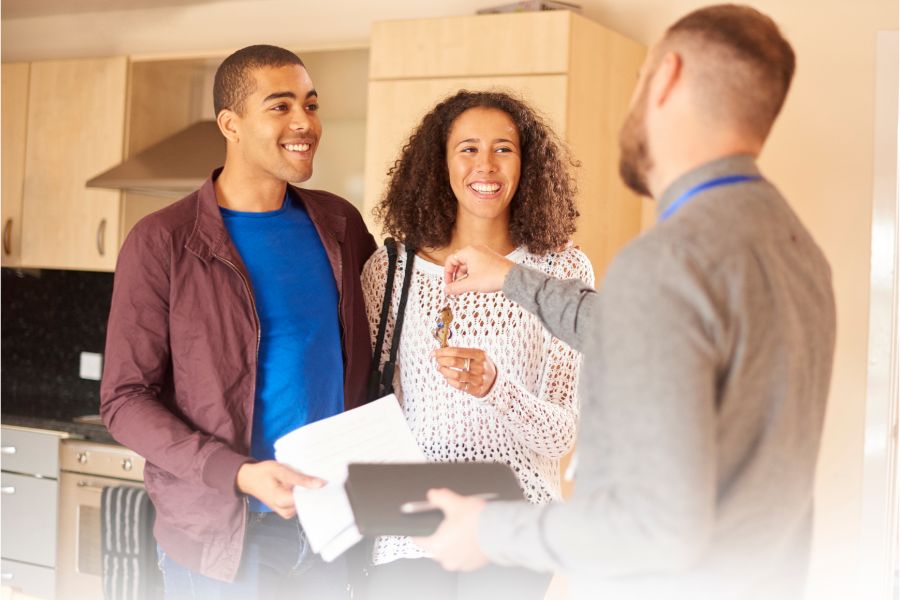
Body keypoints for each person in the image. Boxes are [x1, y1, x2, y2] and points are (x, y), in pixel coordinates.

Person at [417, 5, 837, 600]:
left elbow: (653, 526)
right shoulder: (797, 249)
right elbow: (647, 333)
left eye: (638, 80)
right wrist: (514, 279)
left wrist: (489, 528)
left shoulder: (667, 261)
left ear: (665, 77)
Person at [100, 45, 376, 599]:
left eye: (311, 104)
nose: (305, 122)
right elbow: (124, 400)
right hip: (226, 539)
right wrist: (238, 472)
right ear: (230, 124)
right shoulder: (163, 242)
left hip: (330, 527)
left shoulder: (340, 224)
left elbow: (381, 346)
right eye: (280, 106)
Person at [360, 90, 594, 600]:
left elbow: (560, 437)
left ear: (525, 163)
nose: (485, 165)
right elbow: (378, 413)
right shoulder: (390, 271)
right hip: (409, 526)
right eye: (467, 148)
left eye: (503, 148)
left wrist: (494, 387)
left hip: (512, 526)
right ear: (439, 163)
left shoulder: (560, 271)